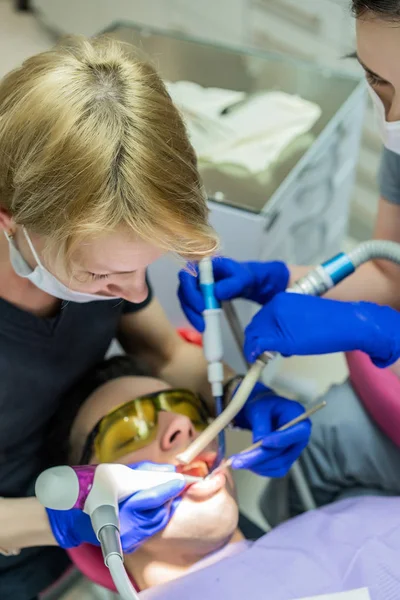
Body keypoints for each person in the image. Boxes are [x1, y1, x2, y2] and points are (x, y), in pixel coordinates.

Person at [0, 36, 309, 599]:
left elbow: (164, 352)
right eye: (102, 277)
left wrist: (244, 398)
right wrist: (61, 522)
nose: (135, 290)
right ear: (12, 222)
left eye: (146, 266)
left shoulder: (99, 258)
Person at [178, 0, 400, 510]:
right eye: (379, 82)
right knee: (313, 457)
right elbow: (390, 271)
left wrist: (386, 334)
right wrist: (272, 278)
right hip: (380, 410)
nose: (392, 118)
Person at [48, 355, 400, 600]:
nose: (181, 426)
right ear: (86, 507)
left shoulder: (352, 512)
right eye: (128, 433)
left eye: (187, 409)